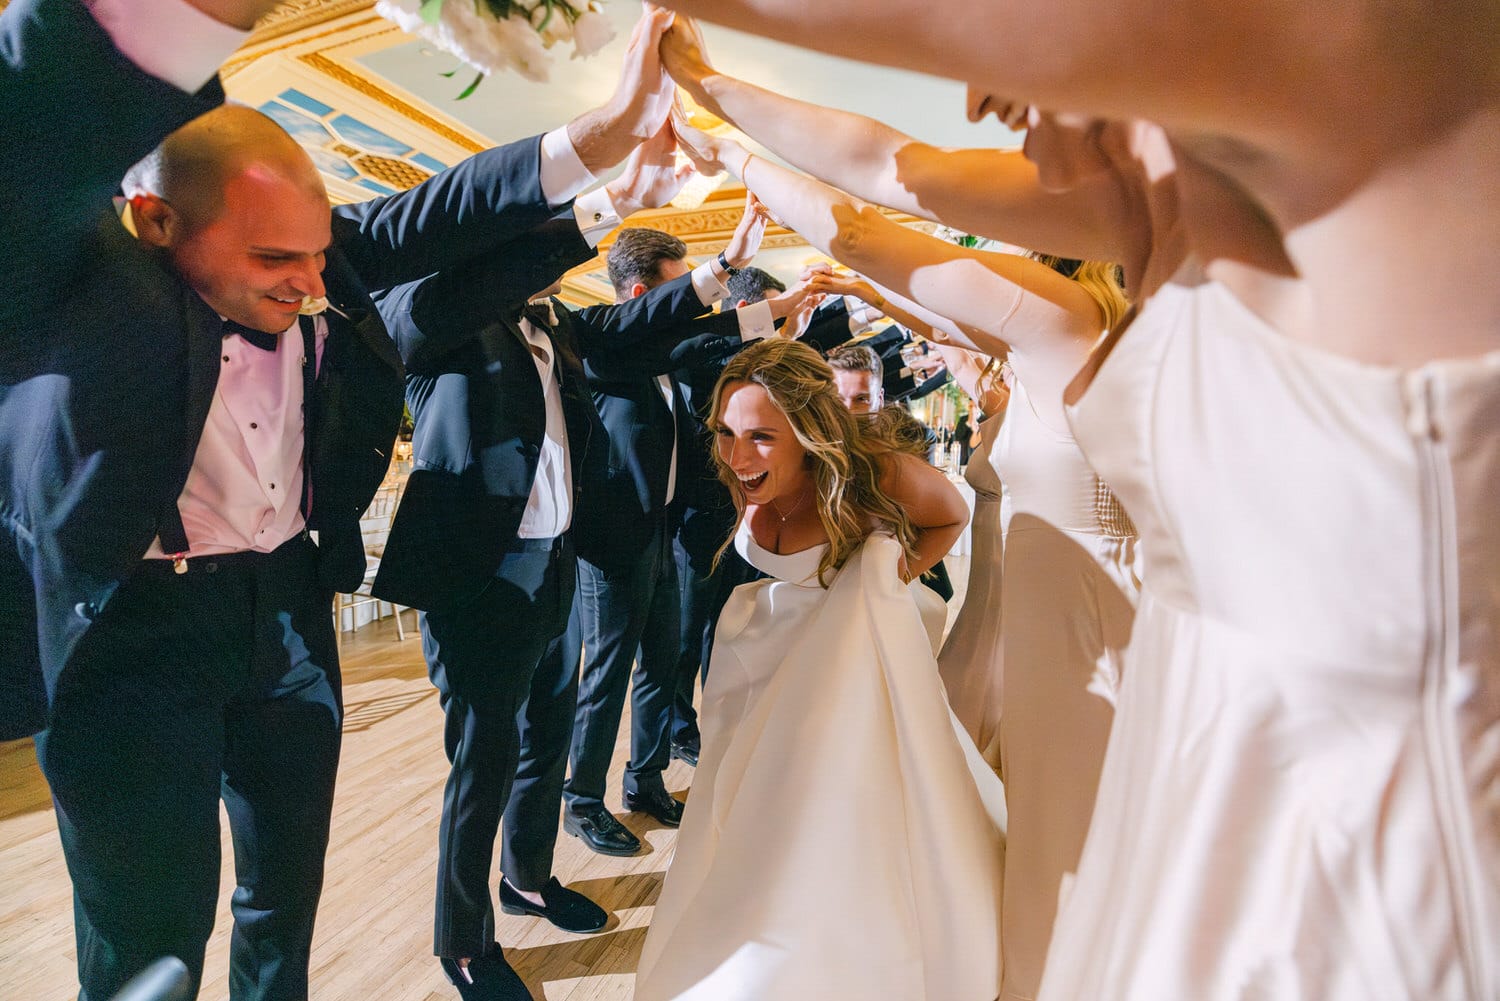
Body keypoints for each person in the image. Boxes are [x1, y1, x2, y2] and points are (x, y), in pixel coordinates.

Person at [652, 7, 1500, 1000]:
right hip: (1209, 702)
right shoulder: (1156, 212)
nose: (980, 93)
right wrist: (706, 104)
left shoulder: (1354, 123)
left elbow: (895, 180)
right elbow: (890, 167)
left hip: (1370, 758)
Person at [0, 1, 679, 998]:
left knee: (284, 899)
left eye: (319, 254)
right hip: (128, 633)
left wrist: (603, 144)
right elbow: (35, 108)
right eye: (276, 261)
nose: (313, 283)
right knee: (151, 936)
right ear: (155, 222)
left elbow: (440, 211)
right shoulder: (65, 280)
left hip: (287, 611)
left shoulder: (315, 264)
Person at [665, 104, 1139, 999]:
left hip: (1098, 657)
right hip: (1057, 655)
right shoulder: (1069, 343)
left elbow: (865, 216)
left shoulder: (1067, 329)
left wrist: (731, 141)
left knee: (1083, 886)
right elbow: (915, 290)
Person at [365, 112, 726, 997]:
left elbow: (645, 328)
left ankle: (527, 878)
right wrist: (591, 209)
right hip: (477, 579)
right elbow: (452, 297)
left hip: (557, 564)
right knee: (481, 760)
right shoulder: (421, 313)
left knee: (545, 741)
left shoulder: (557, 328)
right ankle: (462, 939)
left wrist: (727, 283)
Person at [634, 338, 1004, 1001]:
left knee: (820, 807)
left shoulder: (875, 474)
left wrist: (879, 582)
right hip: (760, 657)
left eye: (761, 437)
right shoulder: (741, 474)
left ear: (808, 433)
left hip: (842, 672)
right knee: (750, 810)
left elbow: (949, 514)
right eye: (725, 433)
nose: (738, 456)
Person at [560, 221, 820, 855]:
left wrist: (780, 316)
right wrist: (737, 273)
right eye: (678, 291)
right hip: (613, 538)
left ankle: (643, 779)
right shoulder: (605, 347)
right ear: (640, 292)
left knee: (659, 661)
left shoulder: (659, 349)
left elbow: (707, 343)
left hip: (661, 529)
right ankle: (581, 800)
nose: (689, 308)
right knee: (608, 672)